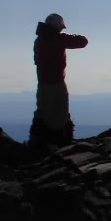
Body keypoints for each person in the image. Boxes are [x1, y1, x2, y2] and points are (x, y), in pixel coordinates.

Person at [30, 13, 88, 147]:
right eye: (61, 28)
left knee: (42, 113)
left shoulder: (38, 40)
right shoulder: (58, 38)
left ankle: (37, 142)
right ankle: (62, 143)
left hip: (42, 84)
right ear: (56, 26)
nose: (62, 30)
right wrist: (65, 37)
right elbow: (83, 41)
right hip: (56, 84)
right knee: (61, 114)